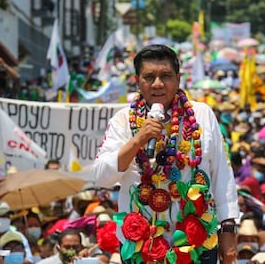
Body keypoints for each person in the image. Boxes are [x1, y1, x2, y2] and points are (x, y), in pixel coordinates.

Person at [92, 44, 239, 263]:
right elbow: (102, 177)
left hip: (197, 243)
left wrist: (228, 230)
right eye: (149, 77)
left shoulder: (202, 115)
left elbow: (222, 175)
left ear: (178, 79)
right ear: (137, 81)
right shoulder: (122, 120)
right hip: (141, 247)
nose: (158, 84)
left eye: (166, 76)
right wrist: (138, 140)